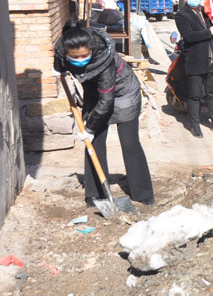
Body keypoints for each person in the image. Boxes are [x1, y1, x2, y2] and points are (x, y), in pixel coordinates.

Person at [54, 18, 154, 207]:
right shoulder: (63, 46)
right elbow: (58, 57)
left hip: (123, 93)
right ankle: (95, 193)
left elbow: (106, 102)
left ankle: (142, 192)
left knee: (129, 142)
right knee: (93, 143)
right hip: (94, 93)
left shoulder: (104, 60)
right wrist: (57, 68)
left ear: (91, 49)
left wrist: (89, 128)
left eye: (84, 55)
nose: (79, 60)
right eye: (73, 57)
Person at [174, 0, 213, 138]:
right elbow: (189, 36)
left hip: (210, 61)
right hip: (195, 62)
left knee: (212, 94)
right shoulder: (181, 15)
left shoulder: (205, 13)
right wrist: (208, 32)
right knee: (195, 96)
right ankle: (195, 125)